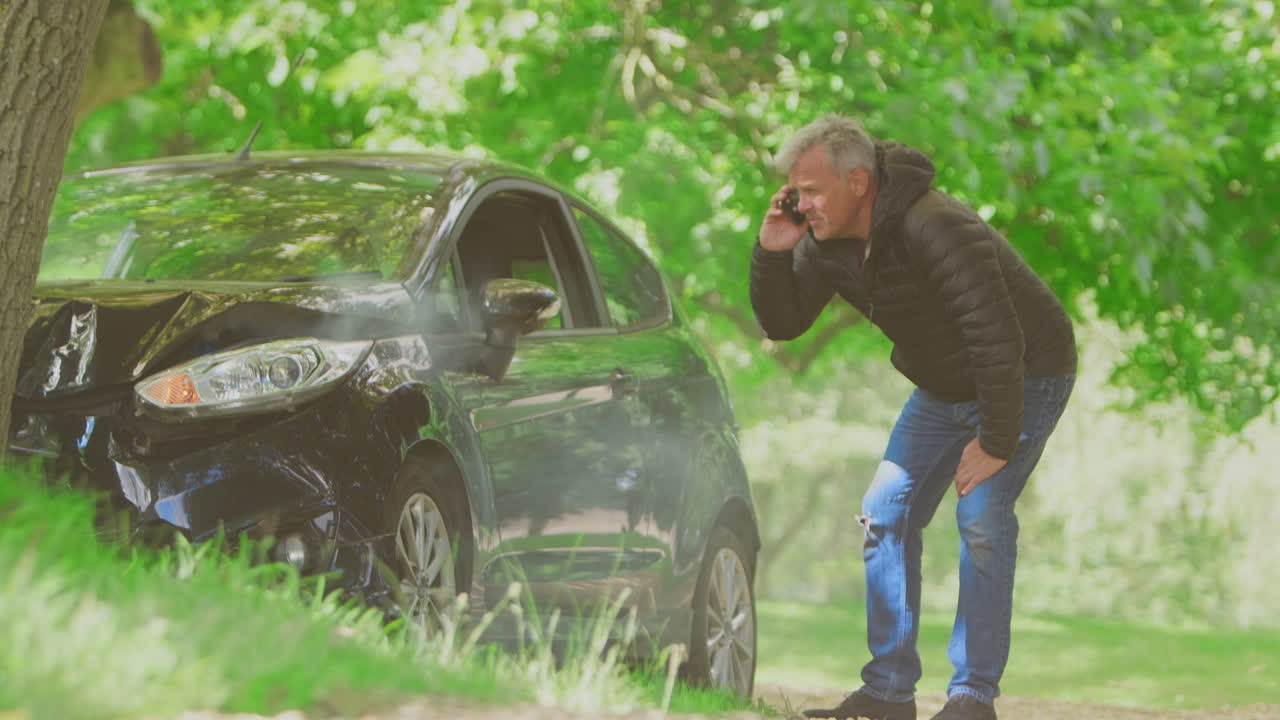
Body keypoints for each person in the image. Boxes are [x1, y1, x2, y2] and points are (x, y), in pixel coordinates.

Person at [750, 115, 1077, 720]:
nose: (801, 204)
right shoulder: (824, 242)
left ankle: (972, 698)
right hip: (945, 384)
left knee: (980, 513)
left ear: (858, 182)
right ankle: (888, 693)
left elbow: (997, 335)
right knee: (885, 511)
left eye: (812, 191)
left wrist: (996, 439)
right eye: (795, 191)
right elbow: (783, 323)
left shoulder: (937, 225)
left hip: (1027, 371)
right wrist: (773, 252)